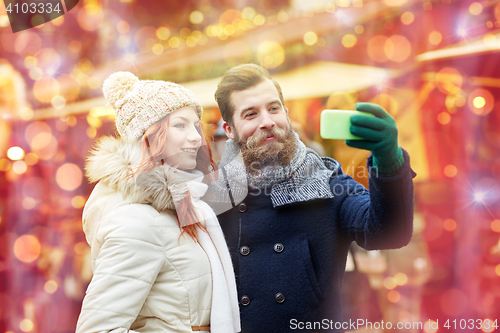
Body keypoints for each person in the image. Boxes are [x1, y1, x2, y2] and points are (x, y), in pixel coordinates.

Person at [203, 64, 415, 333]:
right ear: (229, 129)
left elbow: (390, 233)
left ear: (287, 114)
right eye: (251, 114)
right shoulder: (212, 195)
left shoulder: (327, 181)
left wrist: (388, 159)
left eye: (274, 108)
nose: (267, 121)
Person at [76, 72, 240, 333]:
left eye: (195, 125)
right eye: (180, 125)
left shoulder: (180, 207)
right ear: (148, 136)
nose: (196, 137)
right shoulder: (136, 222)